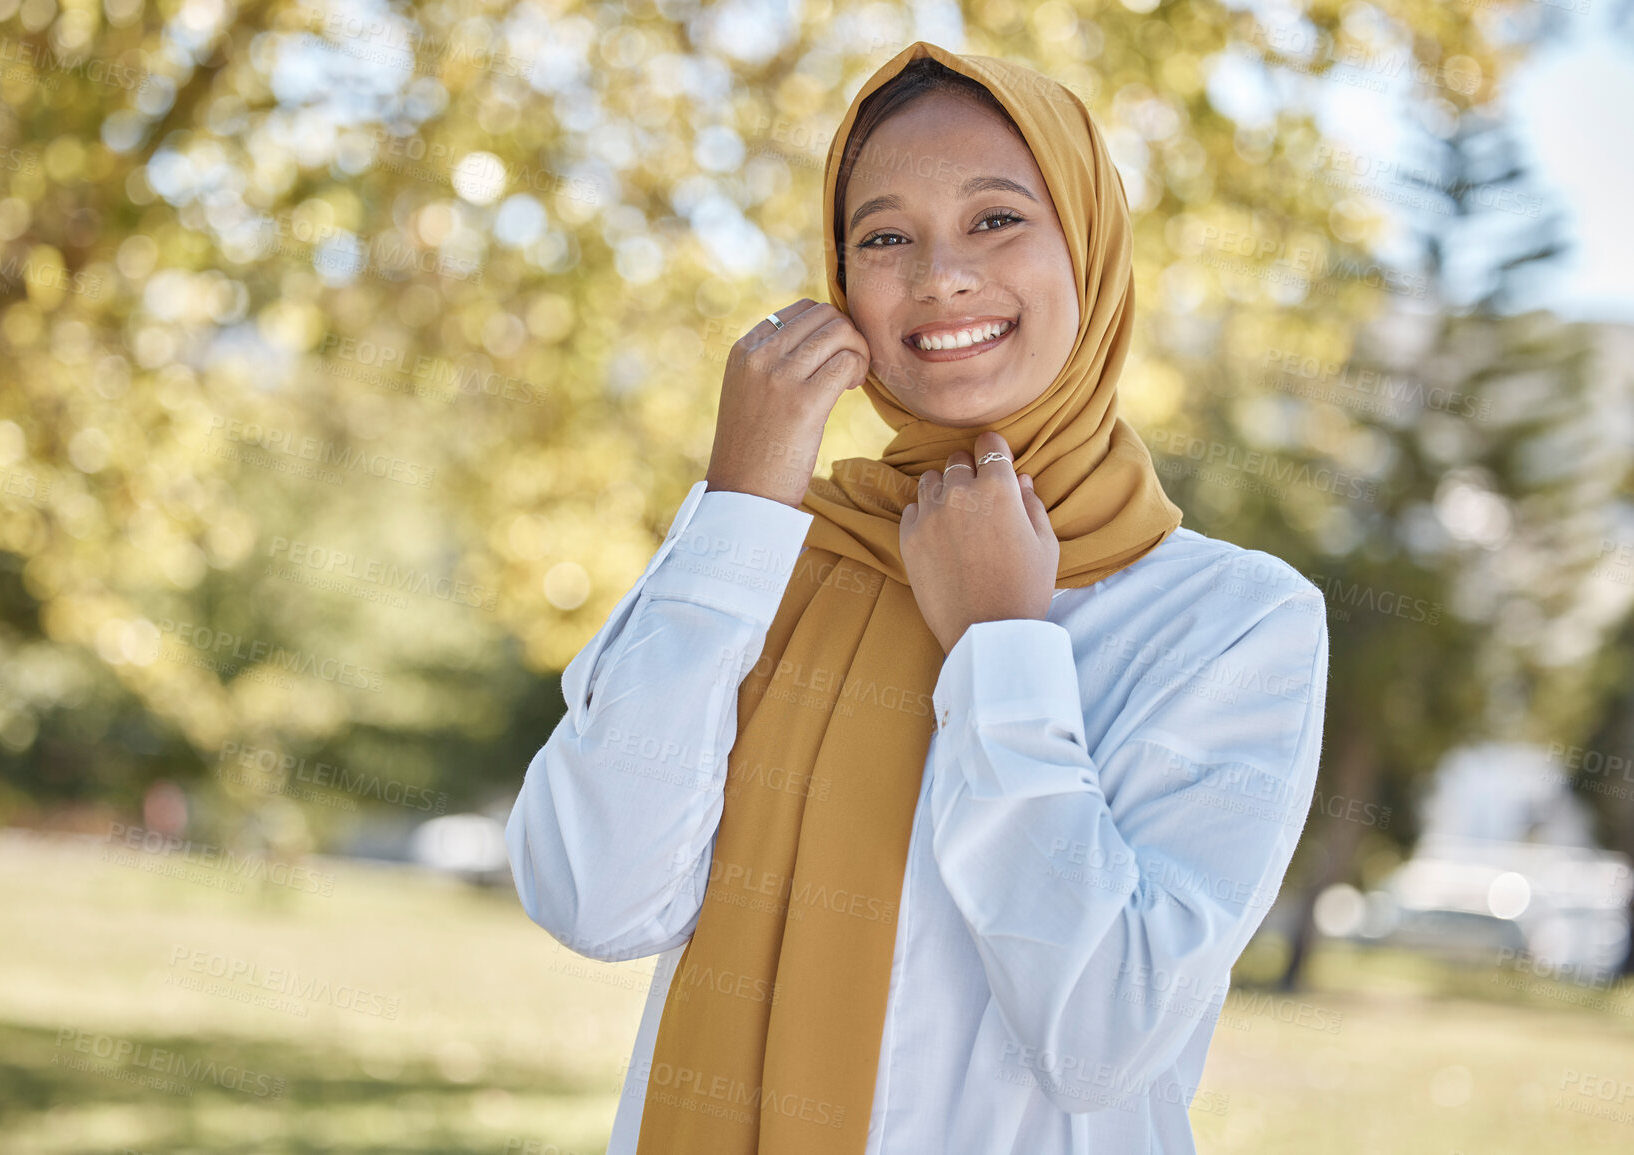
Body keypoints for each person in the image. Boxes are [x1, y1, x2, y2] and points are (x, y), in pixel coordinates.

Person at [506, 40, 1330, 1155]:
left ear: (1089, 245)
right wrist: (741, 500)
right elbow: (596, 900)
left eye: (996, 219)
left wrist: (1000, 648)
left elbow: (1098, 1037)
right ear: (841, 283)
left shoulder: (1231, 621)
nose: (940, 275)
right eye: (884, 237)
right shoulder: (766, 556)